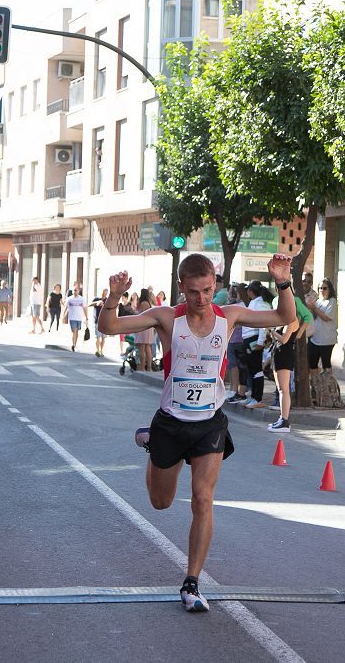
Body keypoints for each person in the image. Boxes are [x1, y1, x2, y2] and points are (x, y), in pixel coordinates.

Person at [99, 253, 294, 613]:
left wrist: (282, 281)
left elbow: (285, 317)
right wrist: (113, 296)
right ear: (180, 289)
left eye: (207, 290)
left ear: (215, 286)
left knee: (203, 499)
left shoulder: (229, 316)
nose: (201, 299)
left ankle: (191, 582)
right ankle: (151, 442)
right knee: (161, 503)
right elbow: (109, 327)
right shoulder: (166, 317)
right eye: (193, 292)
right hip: (171, 423)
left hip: (209, 423)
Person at [266, 292, 312, 434]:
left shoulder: (292, 321)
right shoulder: (284, 320)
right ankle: (282, 419)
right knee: (280, 388)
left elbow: (284, 339)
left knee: (284, 389)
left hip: (284, 354)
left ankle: (284, 420)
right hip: (279, 353)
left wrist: (272, 331)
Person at [239, 281, 274, 409]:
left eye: (248, 290)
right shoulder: (255, 302)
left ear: (251, 292)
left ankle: (257, 398)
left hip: (254, 340)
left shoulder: (260, 303)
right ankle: (253, 396)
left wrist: (260, 342)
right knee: (252, 369)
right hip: (249, 339)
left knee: (256, 369)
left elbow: (263, 324)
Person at [307, 278, 337, 374]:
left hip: (327, 340)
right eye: (320, 288)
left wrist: (314, 308)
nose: (322, 290)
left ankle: (328, 386)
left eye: (325, 288)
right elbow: (314, 316)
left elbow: (326, 317)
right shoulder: (318, 301)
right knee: (312, 363)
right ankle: (316, 385)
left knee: (326, 364)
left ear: (330, 289)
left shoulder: (332, 301)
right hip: (315, 338)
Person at [134, 289, 155, 370]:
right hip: (148, 327)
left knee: (142, 348)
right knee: (147, 348)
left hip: (143, 326)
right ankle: (149, 367)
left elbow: (142, 315)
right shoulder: (148, 303)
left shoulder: (143, 303)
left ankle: (143, 367)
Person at [64, 285, 88, 352]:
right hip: (72, 318)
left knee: (76, 332)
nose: (75, 291)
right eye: (74, 290)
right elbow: (66, 308)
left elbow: (85, 308)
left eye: (76, 290)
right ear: (72, 291)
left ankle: (74, 344)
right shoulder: (69, 299)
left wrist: (86, 317)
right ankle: (73, 344)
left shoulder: (82, 299)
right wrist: (63, 316)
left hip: (79, 318)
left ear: (78, 291)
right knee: (74, 331)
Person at [91, 288, 109, 357]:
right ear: (101, 292)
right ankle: (97, 350)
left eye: (106, 293)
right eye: (103, 292)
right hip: (97, 321)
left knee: (103, 337)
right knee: (98, 337)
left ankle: (101, 350)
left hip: (105, 321)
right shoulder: (97, 299)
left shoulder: (107, 300)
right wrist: (97, 303)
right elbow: (90, 304)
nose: (104, 294)